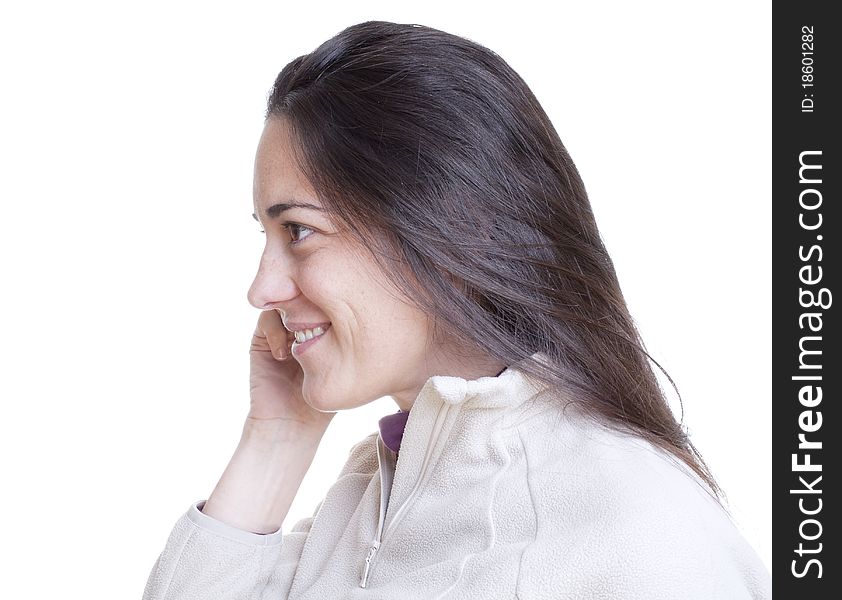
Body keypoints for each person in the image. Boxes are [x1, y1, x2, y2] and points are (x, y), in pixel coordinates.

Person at [142, 20, 771, 599]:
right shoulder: (373, 499)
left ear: (450, 226)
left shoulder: (638, 538)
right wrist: (274, 440)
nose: (262, 289)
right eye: (266, 237)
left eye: (299, 231)